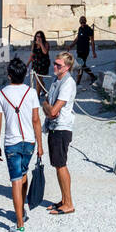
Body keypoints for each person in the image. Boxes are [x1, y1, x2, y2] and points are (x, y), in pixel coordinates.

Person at [0, 57, 43, 232]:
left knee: (15, 180)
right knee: (23, 174)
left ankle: (20, 224)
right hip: (29, 141)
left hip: (11, 142)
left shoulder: (1, 95)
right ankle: (21, 209)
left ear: (9, 75)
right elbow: (36, 119)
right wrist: (40, 145)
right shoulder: (31, 93)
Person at [37, 51, 77, 216]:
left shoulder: (68, 83)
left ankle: (69, 203)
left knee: (61, 165)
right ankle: (63, 199)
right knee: (57, 164)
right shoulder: (56, 80)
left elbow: (52, 110)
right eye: (55, 63)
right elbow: (46, 103)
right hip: (54, 127)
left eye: (58, 65)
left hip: (62, 128)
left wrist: (47, 107)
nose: (54, 66)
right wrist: (47, 107)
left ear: (67, 67)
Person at [74, 16, 97, 85]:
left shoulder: (89, 30)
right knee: (82, 65)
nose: (82, 23)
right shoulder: (80, 28)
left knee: (81, 66)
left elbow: (92, 42)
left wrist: (94, 52)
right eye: (81, 22)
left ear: (85, 21)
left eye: (83, 22)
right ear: (80, 22)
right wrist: (71, 45)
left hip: (85, 51)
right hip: (79, 50)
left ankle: (78, 82)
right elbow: (77, 38)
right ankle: (93, 76)